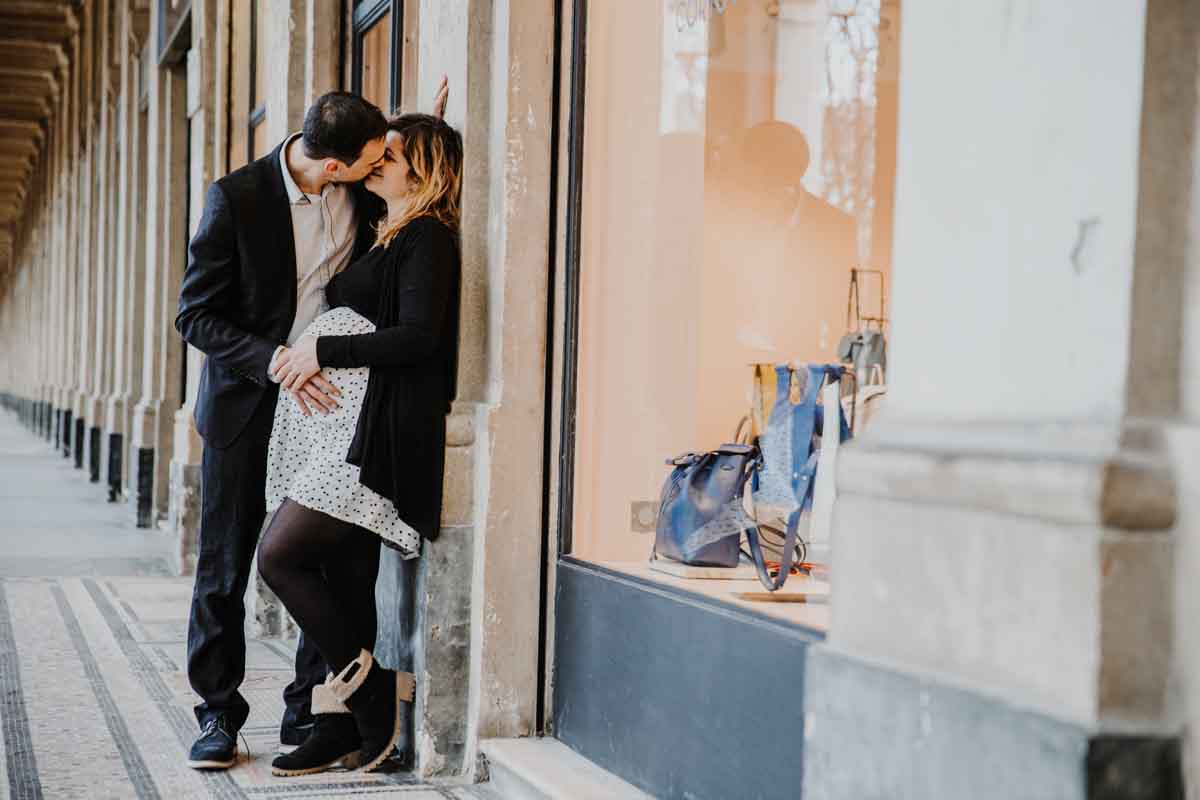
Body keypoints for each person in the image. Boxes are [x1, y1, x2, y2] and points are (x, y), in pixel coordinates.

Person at [175, 85, 447, 771]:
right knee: (227, 562)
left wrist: (426, 118)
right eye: (373, 155)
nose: (382, 162)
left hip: (330, 406)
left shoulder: (361, 192)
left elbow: (401, 172)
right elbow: (196, 318)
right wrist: (274, 361)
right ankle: (217, 714)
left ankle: (308, 707)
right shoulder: (234, 199)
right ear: (334, 165)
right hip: (248, 402)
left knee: (317, 559)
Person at [255, 113, 462, 777]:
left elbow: (417, 338)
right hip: (340, 432)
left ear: (422, 169)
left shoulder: (427, 237)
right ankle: (337, 725)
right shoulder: (389, 232)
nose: (377, 162)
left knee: (280, 556)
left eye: (391, 155)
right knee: (338, 579)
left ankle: (371, 691)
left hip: (374, 441)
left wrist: (322, 348)